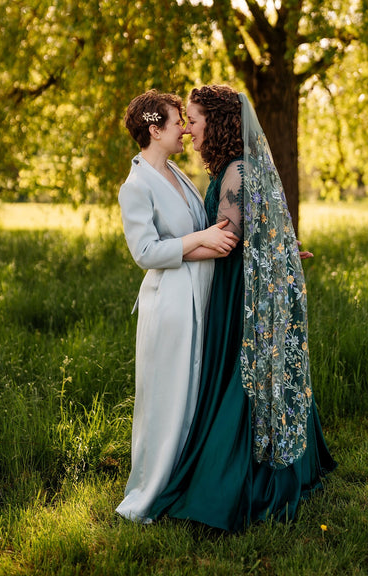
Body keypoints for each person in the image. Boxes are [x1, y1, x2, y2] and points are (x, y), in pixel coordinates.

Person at [151, 85, 337, 531]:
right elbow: (266, 229)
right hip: (243, 284)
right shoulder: (236, 168)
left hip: (239, 293)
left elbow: (229, 240)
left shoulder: (236, 172)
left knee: (241, 377)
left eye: (193, 121)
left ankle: (231, 480)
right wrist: (285, 254)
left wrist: (163, 251)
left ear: (216, 122)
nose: (190, 131)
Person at [116, 89, 239, 523]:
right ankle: (149, 495)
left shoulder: (176, 173)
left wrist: (251, 247)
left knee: (190, 396)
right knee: (166, 401)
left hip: (198, 296)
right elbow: (146, 252)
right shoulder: (135, 187)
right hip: (168, 304)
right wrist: (200, 241)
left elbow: (214, 237)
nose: (186, 129)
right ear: (155, 129)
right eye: (176, 122)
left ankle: (183, 480)